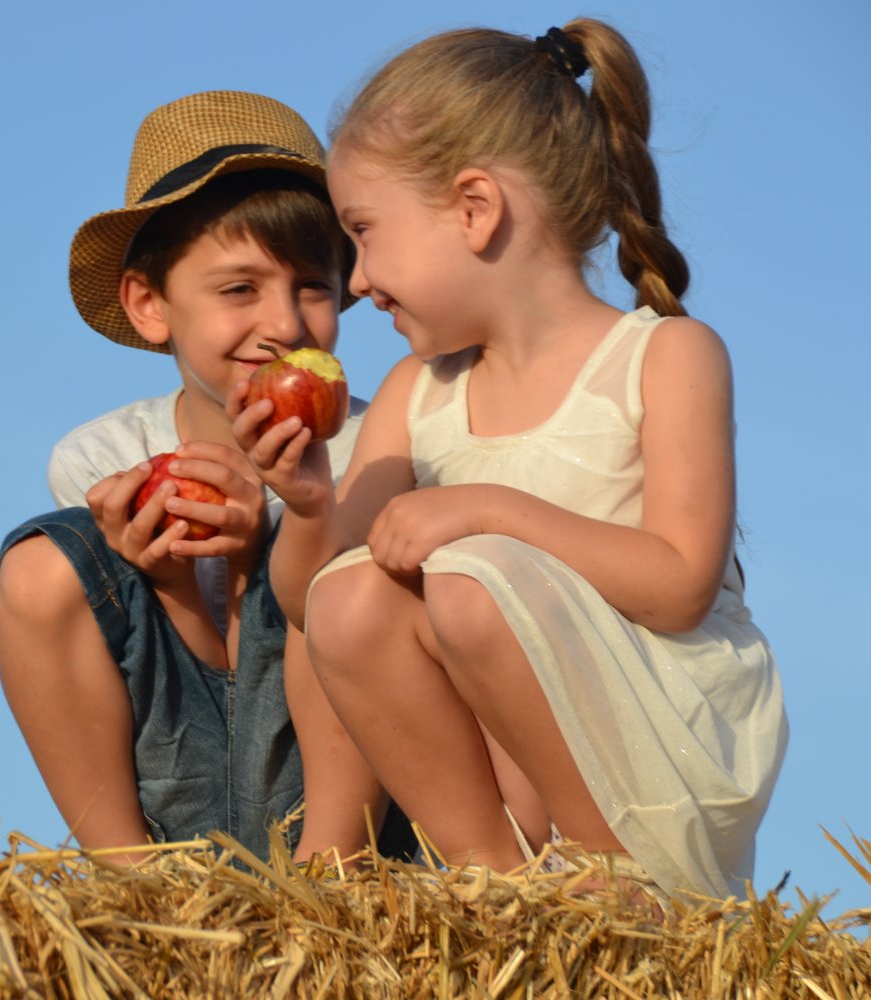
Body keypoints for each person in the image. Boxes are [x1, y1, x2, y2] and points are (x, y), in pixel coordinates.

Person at [233, 22, 788, 899]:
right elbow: (313, 608)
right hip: (515, 747)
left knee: (470, 575)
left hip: (658, 749)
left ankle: (615, 874)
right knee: (353, 591)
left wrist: (487, 508)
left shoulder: (665, 357)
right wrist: (306, 505)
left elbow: (681, 583)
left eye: (366, 233)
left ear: (475, 208)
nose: (359, 280)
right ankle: (491, 879)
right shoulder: (418, 389)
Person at [0, 90, 411, 864]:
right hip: (185, 781)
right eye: (240, 289)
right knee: (42, 568)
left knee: (349, 577)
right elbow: (196, 692)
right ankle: (131, 880)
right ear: (150, 305)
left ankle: (330, 892)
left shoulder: (376, 446)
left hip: (344, 804)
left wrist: (262, 558)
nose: (285, 324)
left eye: (312, 286)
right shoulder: (101, 457)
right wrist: (171, 582)